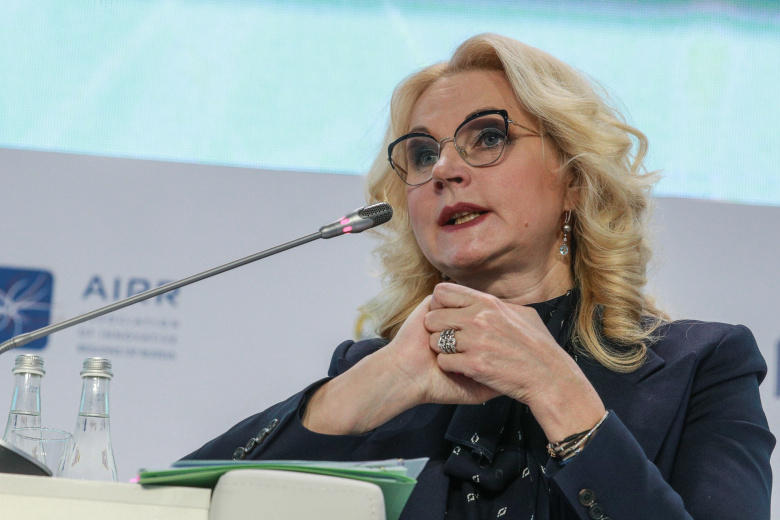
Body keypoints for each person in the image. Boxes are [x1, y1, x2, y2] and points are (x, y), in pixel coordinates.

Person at [183, 34, 774, 519]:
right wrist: (357, 395)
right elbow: (169, 506)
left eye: (489, 137)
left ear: (574, 180)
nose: (444, 168)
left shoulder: (702, 369)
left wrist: (559, 394)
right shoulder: (373, 375)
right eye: (422, 154)